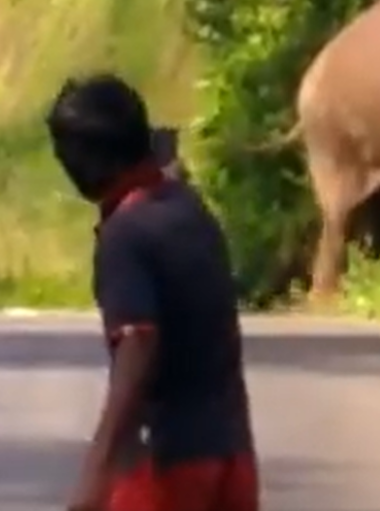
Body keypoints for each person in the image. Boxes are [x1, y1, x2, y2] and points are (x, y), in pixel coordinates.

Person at [47, 73, 258, 511]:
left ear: (86, 157)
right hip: (231, 455)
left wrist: (97, 470)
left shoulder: (126, 233)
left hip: (165, 467)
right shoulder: (189, 209)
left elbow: (138, 342)